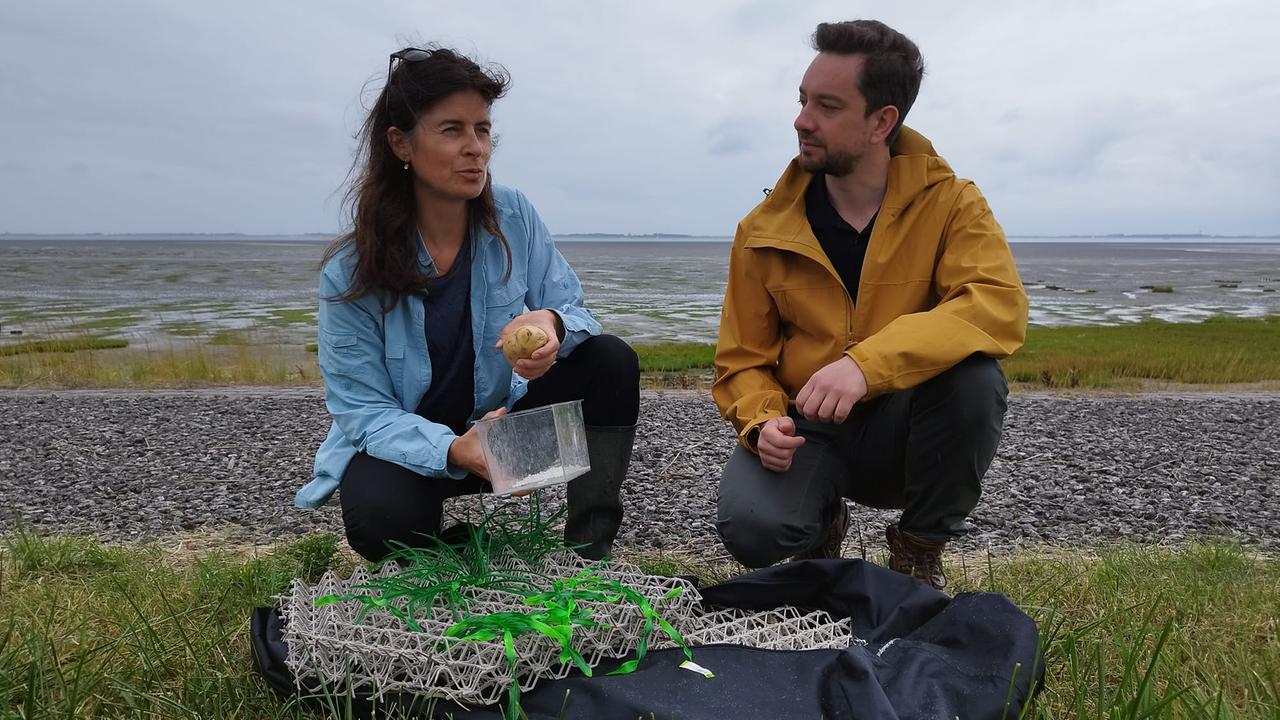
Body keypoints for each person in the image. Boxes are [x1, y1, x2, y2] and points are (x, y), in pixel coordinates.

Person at [712, 20, 1028, 590]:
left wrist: (865, 366)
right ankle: (820, 523)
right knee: (751, 528)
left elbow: (994, 306)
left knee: (977, 381)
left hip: (907, 430)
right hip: (810, 429)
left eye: (827, 106)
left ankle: (919, 547)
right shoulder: (761, 230)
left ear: (883, 121)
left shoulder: (954, 203)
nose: (802, 120)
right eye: (803, 99)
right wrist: (761, 423)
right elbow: (740, 361)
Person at [294, 46, 639, 563]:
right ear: (401, 144)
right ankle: (455, 549)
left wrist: (552, 326)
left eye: (482, 129)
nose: (475, 148)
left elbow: (575, 309)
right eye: (452, 129)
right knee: (380, 524)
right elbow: (361, 411)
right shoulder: (351, 270)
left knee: (612, 360)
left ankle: (588, 553)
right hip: (421, 452)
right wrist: (457, 449)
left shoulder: (513, 214)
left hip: (507, 434)